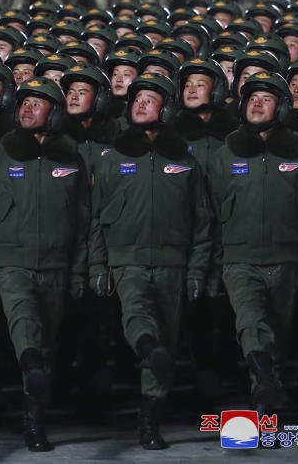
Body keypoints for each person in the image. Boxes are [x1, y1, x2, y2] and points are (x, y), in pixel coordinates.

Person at [89, 73, 212, 450]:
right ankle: (146, 346)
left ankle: (150, 419)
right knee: (138, 317)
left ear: (167, 108)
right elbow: (95, 218)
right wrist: (96, 266)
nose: (140, 104)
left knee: (165, 347)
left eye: (150, 99)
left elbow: (203, 221)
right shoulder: (112, 159)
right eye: (137, 98)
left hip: (174, 264)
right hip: (127, 260)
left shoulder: (186, 162)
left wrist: (197, 269)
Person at [208, 71, 298, 421]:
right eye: (252, 98)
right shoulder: (225, 152)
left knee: (275, 338)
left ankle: (265, 409)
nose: (258, 104)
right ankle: (262, 384)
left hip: (286, 261)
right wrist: (213, 264)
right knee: (251, 323)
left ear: (281, 107)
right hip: (239, 260)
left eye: (267, 98)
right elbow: (210, 213)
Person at [0, 77, 88, 451]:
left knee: (48, 345)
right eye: (23, 103)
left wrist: (78, 269)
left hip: (57, 264)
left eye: (36, 104)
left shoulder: (72, 159)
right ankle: (29, 372)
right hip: (11, 261)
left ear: (54, 113)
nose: (27, 109)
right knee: (24, 322)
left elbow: (84, 220)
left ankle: (34, 419)